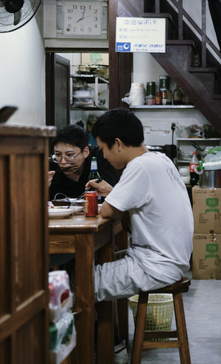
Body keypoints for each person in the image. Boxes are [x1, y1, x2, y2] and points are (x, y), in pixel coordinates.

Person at [87, 108, 193, 302]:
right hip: (170, 260)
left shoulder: (138, 166)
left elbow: (107, 211)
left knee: (79, 283)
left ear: (117, 144)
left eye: (103, 149)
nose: (104, 157)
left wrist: (111, 197)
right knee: (95, 263)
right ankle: (108, 332)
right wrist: (114, 192)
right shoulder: (159, 159)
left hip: (154, 266)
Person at [48, 124, 118, 200]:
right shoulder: (50, 167)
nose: (63, 162)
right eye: (58, 154)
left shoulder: (101, 158)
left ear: (85, 152)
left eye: (69, 155)